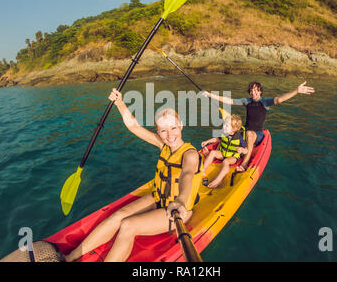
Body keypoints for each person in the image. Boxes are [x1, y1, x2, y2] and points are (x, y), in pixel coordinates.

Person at [64, 89, 202, 262]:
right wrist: (120, 103)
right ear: (157, 131)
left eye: (173, 128)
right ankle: (69, 258)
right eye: (163, 130)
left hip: (177, 211)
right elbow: (134, 126)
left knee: (127, 226)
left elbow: (187, 175)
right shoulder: (163, 145)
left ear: (181, 125)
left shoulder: (190, 154)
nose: (170, 135)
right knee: (118, 216)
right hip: (159, 198)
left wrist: (181, 201)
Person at [203, 81, 315, 172]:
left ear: (260, 91)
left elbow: (280, 99)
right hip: (246, 131)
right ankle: (218, 153)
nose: (253, 92)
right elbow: (229, 100)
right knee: (228, 130)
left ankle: (245, 163)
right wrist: (209, 94)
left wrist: (296, 90)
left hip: (258, 134)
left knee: (249, 134)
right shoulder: (246, 101)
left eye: (256, 90)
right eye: (251, 90)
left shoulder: (265, 102)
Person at [201, 114, 248, 189]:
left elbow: (246, 151)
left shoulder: (239, 138)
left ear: (234, 129)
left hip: (233, 157)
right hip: (223, 153)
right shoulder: (224, 133)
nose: (223, 127)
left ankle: (218, 180)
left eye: (226, 126)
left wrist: (241, 150)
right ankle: (202, 170)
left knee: (225, 161)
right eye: (224, 125)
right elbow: (217, 139)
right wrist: (207, 142)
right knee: (213, 152)